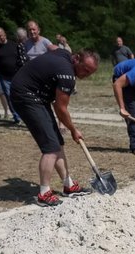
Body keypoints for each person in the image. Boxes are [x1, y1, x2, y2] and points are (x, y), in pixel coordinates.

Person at [10, 48, 100, 207]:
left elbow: (53, 47)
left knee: (57, 143)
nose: (86, 74)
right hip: (27, 96)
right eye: (85, 69)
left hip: (37, 96)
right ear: (76, 59)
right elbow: (60, 108)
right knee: (50, 148)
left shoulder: (64, 54)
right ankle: (44, 194)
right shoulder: (67, 75)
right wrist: (73, 129)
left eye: (90, 73)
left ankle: (68, 185)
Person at [0, 26, 20, 124]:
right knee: (9, 96)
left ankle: (23, 114)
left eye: (0, 35)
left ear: (5, 35)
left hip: (17, 75)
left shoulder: (14, 45)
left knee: (19, 96)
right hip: (4, 77)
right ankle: (16, 116)